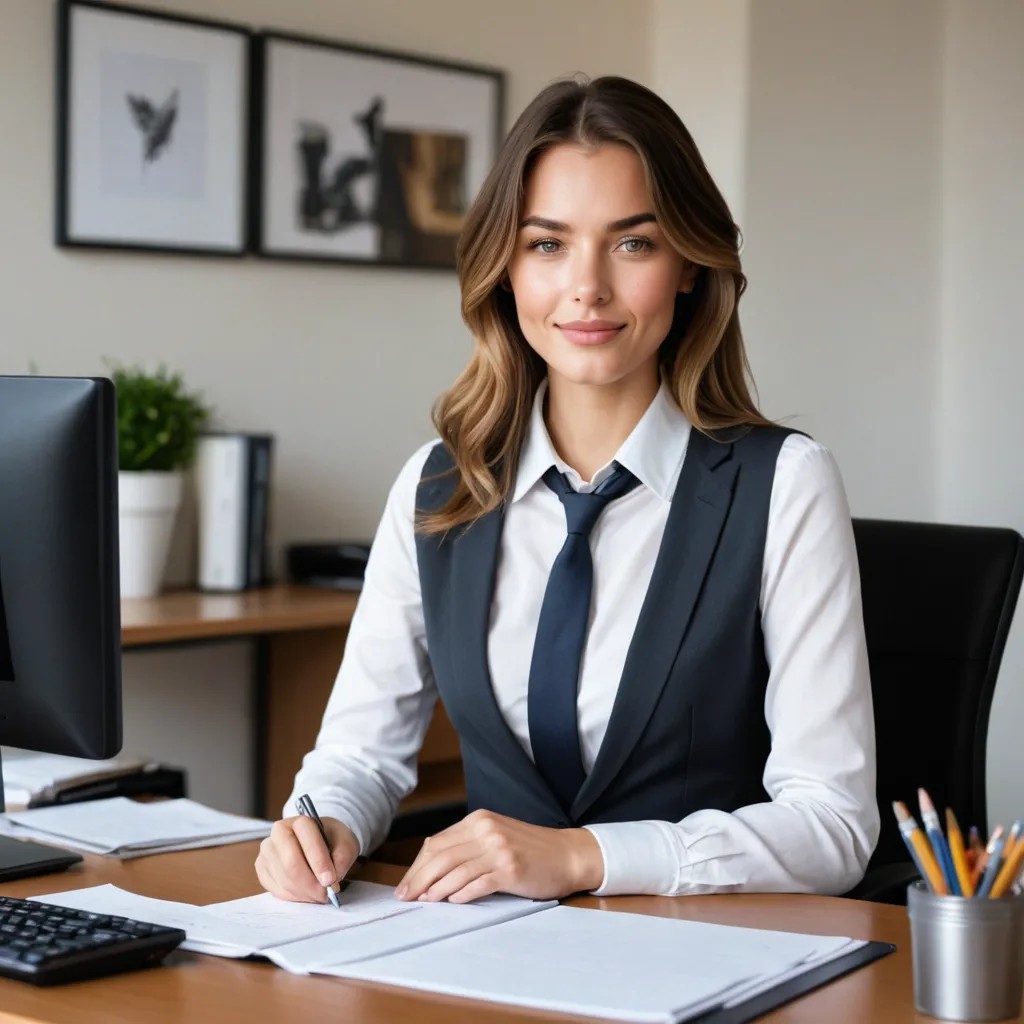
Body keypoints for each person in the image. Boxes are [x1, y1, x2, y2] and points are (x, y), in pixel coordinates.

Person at [255, 75, 879, 907]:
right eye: (547, 244)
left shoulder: (784, 485)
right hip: (485, 959)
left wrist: (588, 857)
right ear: (505, 271)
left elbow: (833, 824)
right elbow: (359, 757)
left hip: (709, 960)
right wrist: (321, 822)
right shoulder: (437, 487)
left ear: (689, 265)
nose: (587, 287)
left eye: (633, 244)